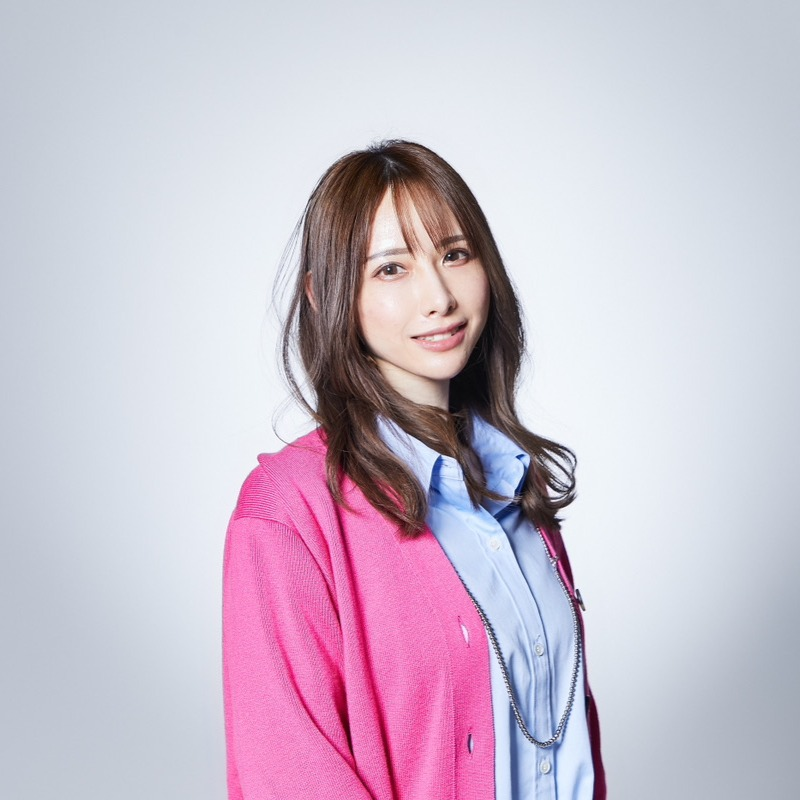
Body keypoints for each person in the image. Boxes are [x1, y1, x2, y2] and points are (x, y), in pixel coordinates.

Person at [223, 140, 605, 799]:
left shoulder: (517, 489)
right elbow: (288, 774)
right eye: (391, 269)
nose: (439, 296)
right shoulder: (289, 512)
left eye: (454, 254)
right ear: (324, 294)